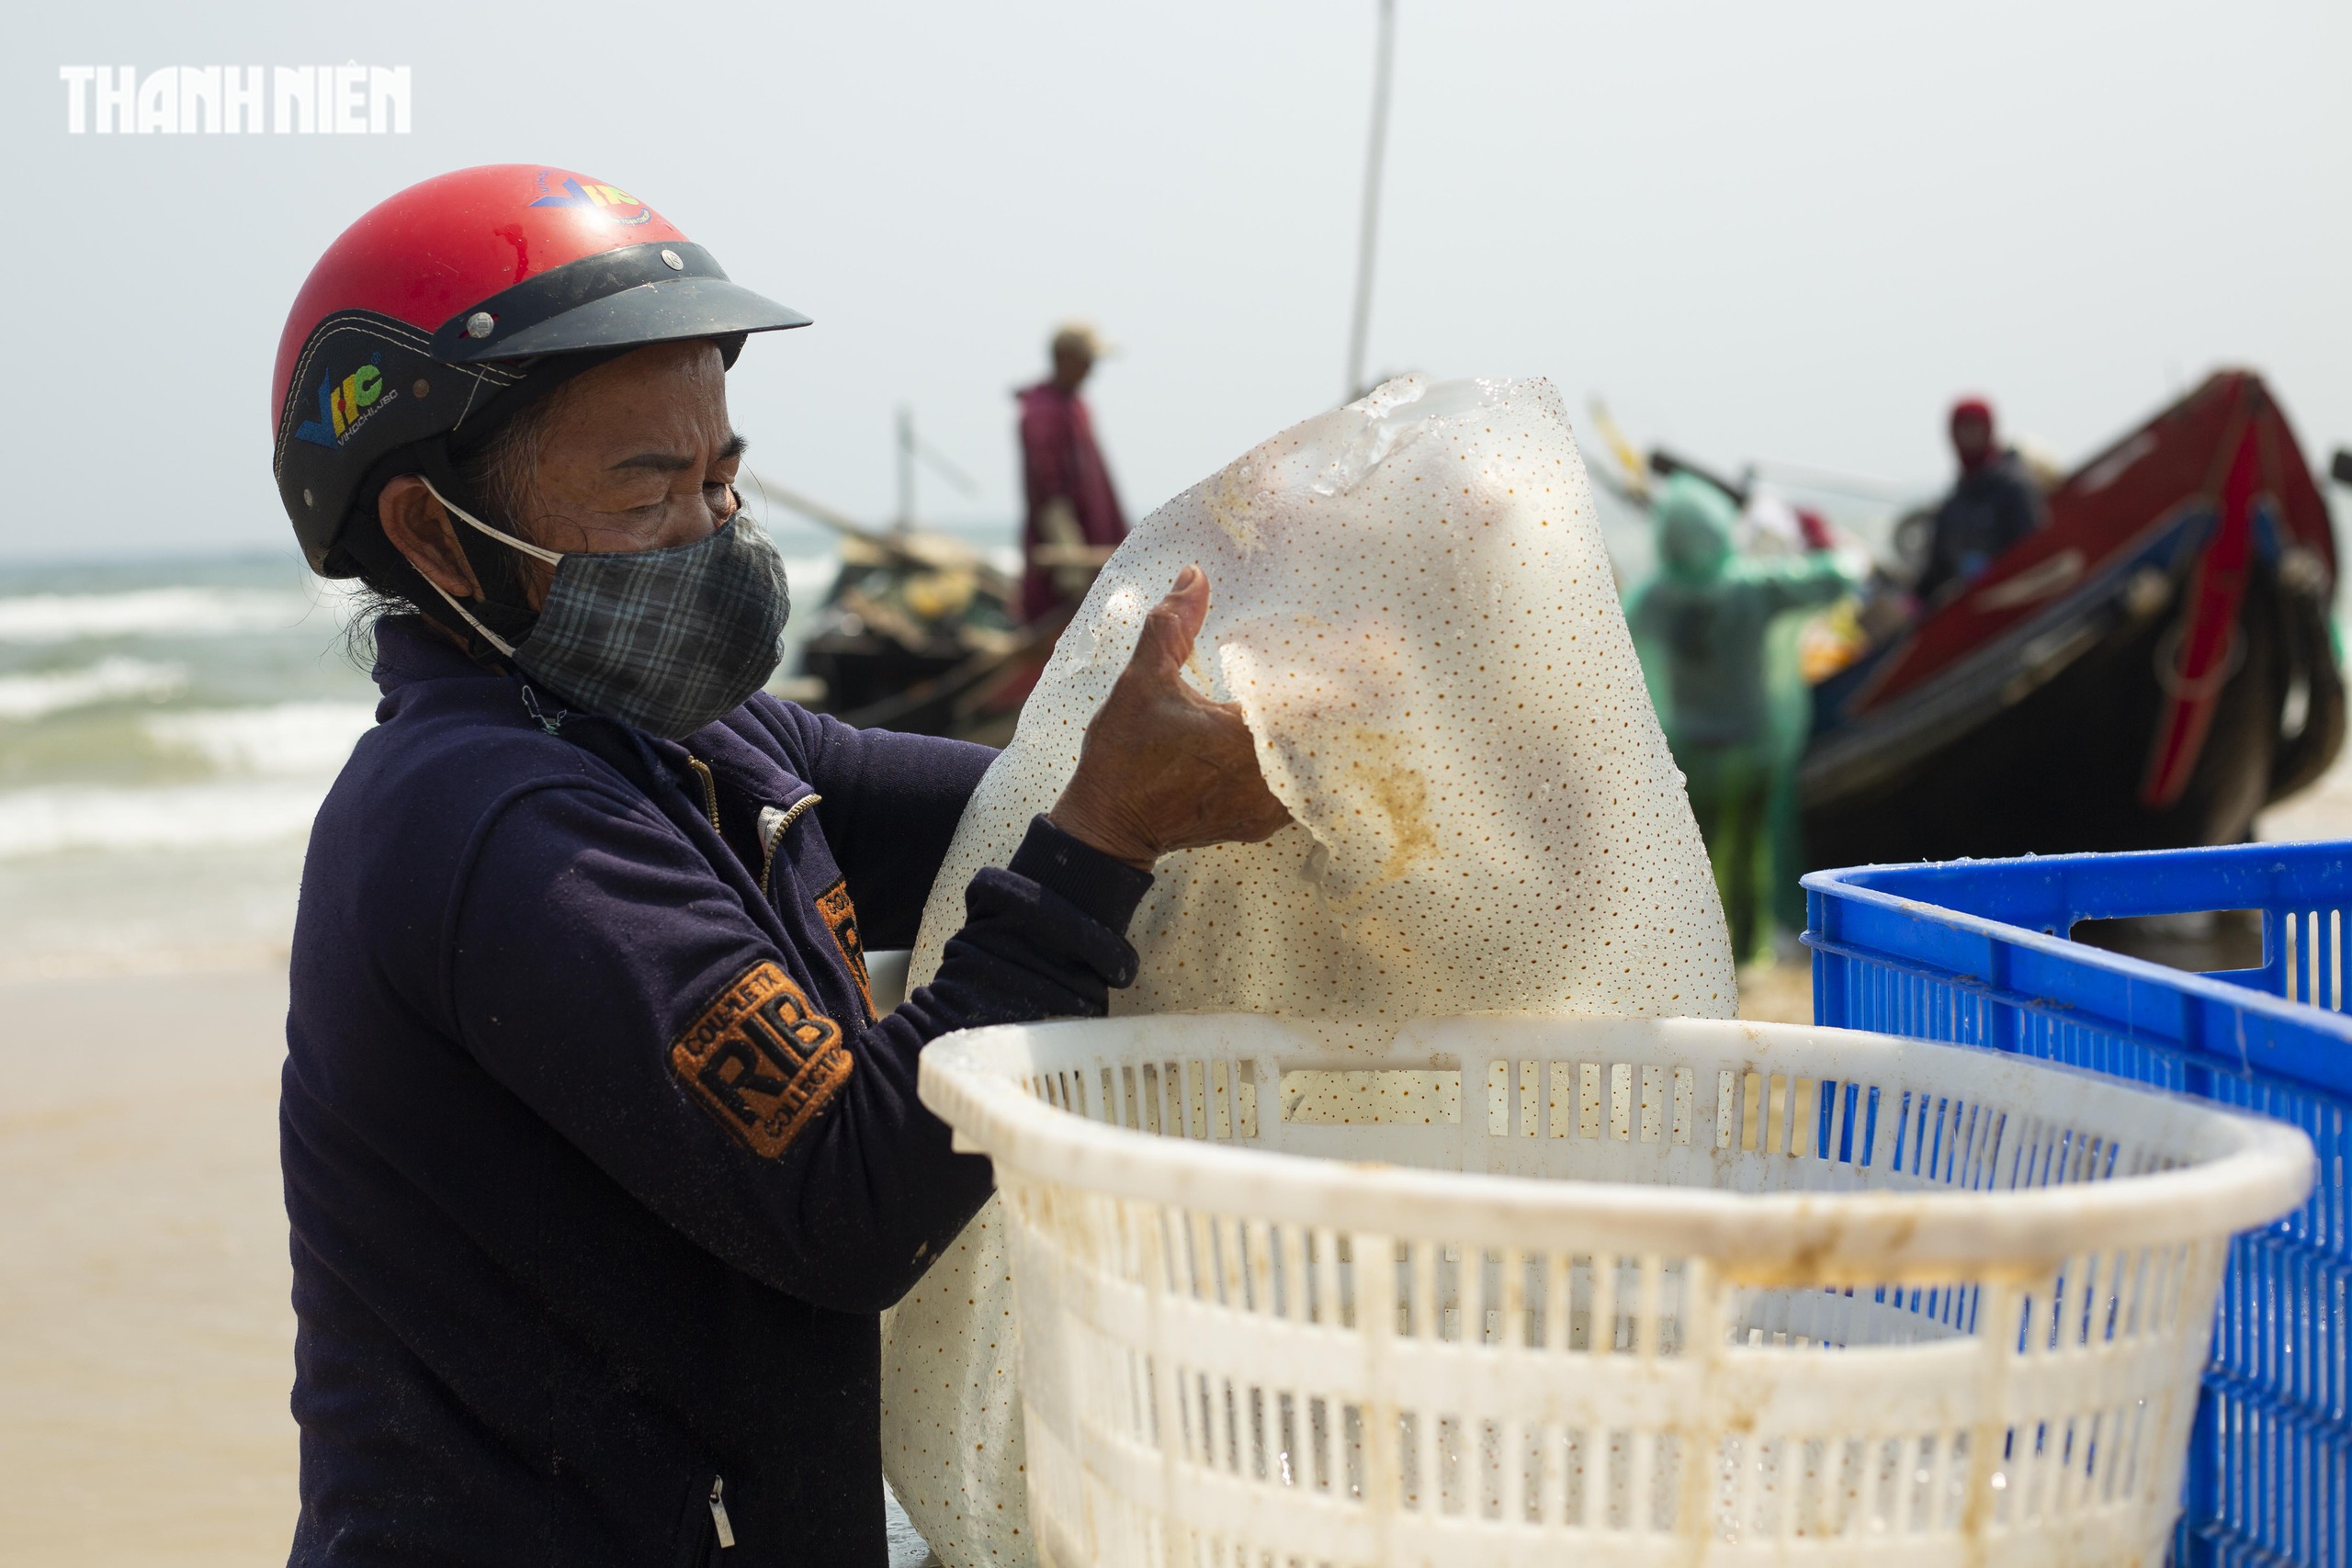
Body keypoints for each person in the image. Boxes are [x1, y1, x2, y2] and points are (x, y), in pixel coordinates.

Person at [268, 165, 1290, 1567]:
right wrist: (1103, 835)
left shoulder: (700, 740)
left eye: (721, 475)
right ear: (435, 533)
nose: (709, 531)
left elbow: (1006, 808)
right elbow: (849, 1193)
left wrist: (1226, 732)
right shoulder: (491, 820)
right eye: (644, 489)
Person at [1626, 474, 1852, 964]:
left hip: (1689, 751)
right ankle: (1747, 955)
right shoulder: (1754, 587)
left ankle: (1691, 955)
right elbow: (1839, 575)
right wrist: (1819, 536)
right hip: (1755, 746)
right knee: (1753, 854)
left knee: (1693, 859)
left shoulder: (1654, 602)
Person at [1016, 322, 1127, 622]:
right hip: (1066, 541)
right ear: (1065, 358)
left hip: (1093, 533)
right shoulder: (1042, 412)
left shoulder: (1074, 405)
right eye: (1086, 360)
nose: (1091, 369)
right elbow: (1051, 497)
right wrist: (1072, 566)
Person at [1915, 396, 2047, 603]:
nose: (1967, 436)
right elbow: (1936, 572)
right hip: (1967, 611)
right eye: (1961, 428)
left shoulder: (2014, 487)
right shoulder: (1953, 503)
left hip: (2011, 603)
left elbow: (2033, 552)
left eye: (1974, 427)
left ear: (1989, 430)